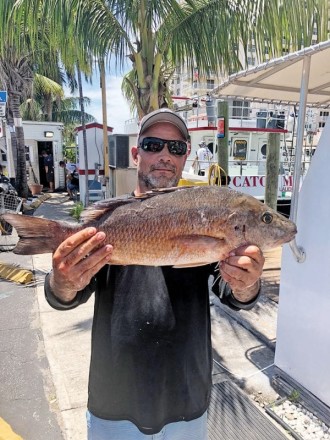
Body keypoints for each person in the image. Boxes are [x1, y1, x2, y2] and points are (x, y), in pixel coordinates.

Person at [44, 109, 264, 440]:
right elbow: (66, 295)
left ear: (186, 155)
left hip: (186, 403)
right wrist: (60, 283)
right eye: (152, 145)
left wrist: (247, 284)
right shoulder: (110, 220)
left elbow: (233, 293)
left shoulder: (206, 215)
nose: (164, 156)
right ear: (137, 153)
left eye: (175, 148)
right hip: (114, 404)